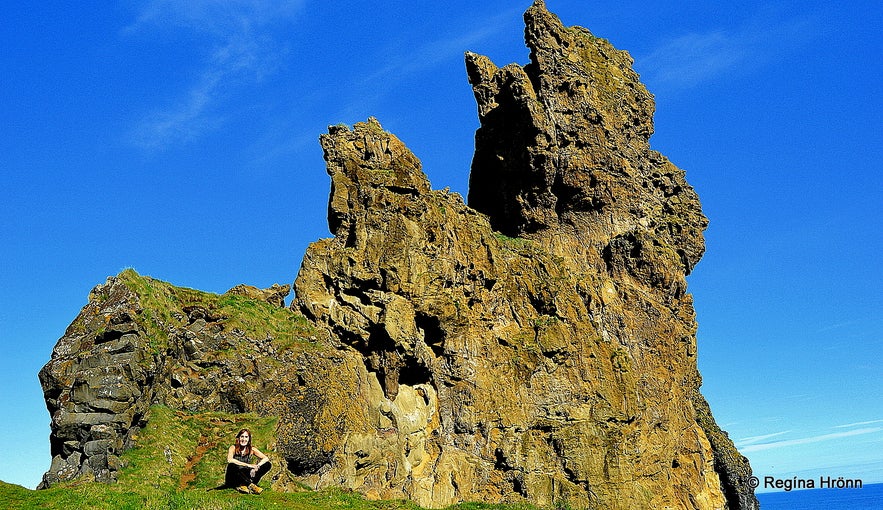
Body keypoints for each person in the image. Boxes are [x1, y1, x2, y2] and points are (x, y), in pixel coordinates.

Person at [225, 428, 271, 494]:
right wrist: (248, 465)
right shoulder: (233, 447)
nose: (244, 439)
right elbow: (229, 460)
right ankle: (250, 485)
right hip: (234, 476)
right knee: (232, 465)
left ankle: (247, 484)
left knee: (267, 464)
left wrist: (257, 466)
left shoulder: (251, 449)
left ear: (249, 439)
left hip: (245, 474)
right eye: (242, 437)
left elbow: (266, 458)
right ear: (238, 438)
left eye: (246, 437)